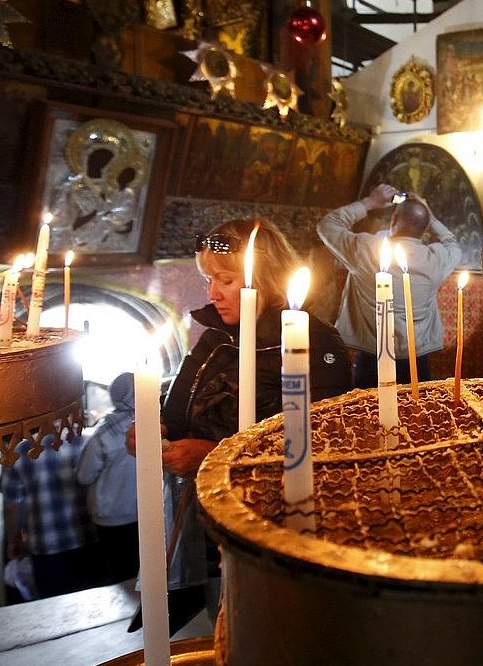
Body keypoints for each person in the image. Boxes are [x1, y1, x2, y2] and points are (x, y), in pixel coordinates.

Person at [128, 219, 351, 628]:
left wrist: (213, 455)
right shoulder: (216, 338)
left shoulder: (314, 343)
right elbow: (176, 413)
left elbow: (323, 442)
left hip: (277, 524)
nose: (212, 293)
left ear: (264, 277)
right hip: (202, 525)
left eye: (225, 280)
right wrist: (151, 430)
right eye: (207, 279)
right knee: (223, 625)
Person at [317, 183, 462, 387]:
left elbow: (327, 226)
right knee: (418, 413)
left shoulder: (365, 249)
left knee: (368, 413)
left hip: (371, 356)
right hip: (416, 358)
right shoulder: (436, 258)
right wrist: (432, 217)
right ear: (425, 228)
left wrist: (370, 202)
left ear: (393, 219)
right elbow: (453, 244)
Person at [0, 438, 96, 600]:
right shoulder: (84, 442)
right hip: (85, 537)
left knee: (52, 607)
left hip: (43, 546)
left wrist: (13, 540)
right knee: (90, 604)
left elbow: (11, 506)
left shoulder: (16, 452)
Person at [76, 372, 138, 585]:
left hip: (112, 518)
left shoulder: (104, 433)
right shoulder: (155, 426)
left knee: (120, 580)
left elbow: (84, 476)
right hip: (146, 514)